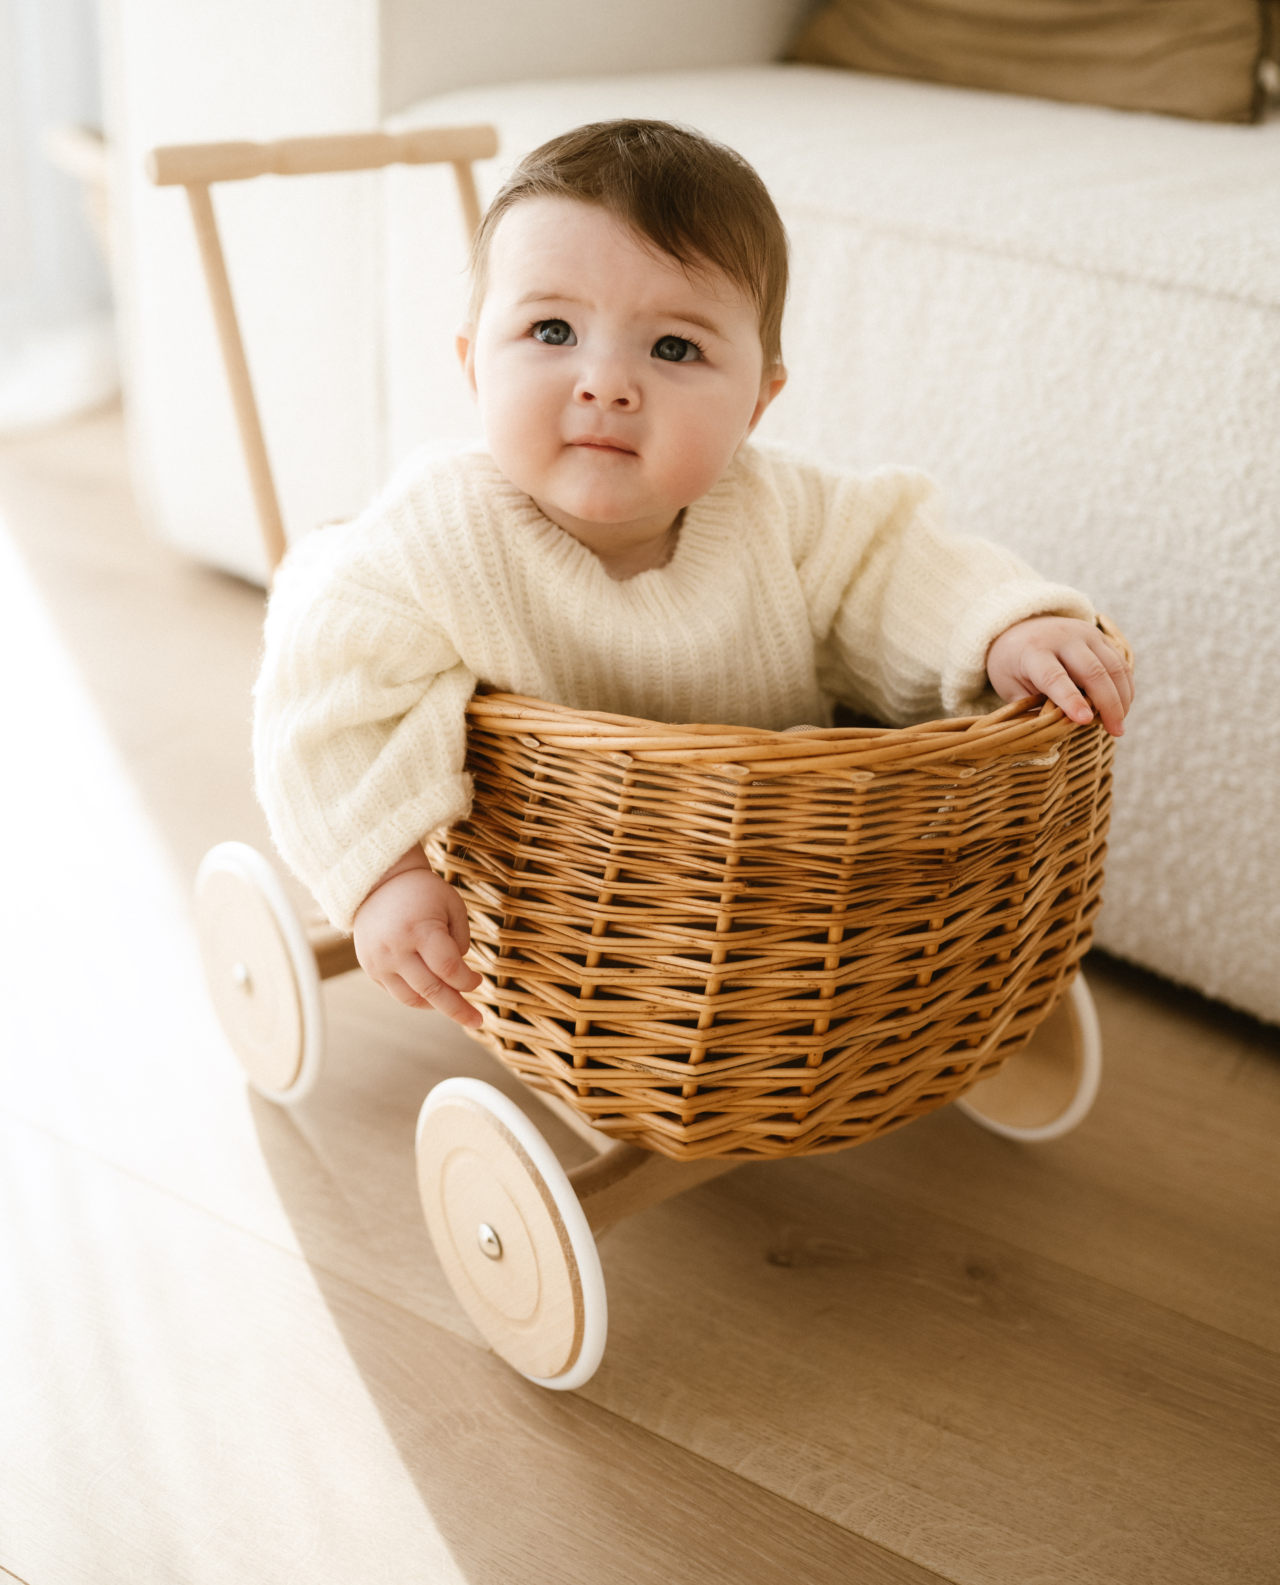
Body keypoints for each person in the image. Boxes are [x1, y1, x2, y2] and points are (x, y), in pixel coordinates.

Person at [254, 119, 1134, 1031]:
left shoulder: (777, 509)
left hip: (771, 880)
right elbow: (331, 694)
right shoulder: (436, 538)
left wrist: (1002, 626)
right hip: (577, 904)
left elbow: (896, 562)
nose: (606, 382)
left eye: (673, 348)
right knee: (330, 604)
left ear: (758, 402)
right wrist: (387, 874)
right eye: (552, 329)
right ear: (475, 365)